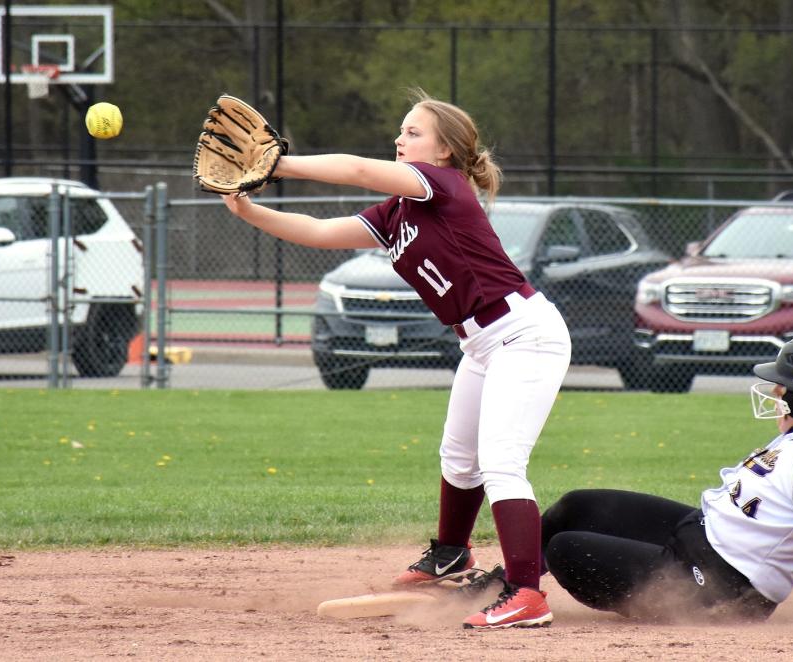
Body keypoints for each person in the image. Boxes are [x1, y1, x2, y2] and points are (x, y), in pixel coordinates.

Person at [220, 90, 571, 629]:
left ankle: (527, 594)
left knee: (501, 463)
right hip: (481, 342)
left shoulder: (444, 186)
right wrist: (247, 207)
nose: (399, 140)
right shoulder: (396, 212)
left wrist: (278, 163)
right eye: (400, 131)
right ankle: (451, 555)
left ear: (445, 152)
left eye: (413, 133)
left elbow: (359, 168)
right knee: (458, 457)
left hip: (523, 334)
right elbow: (318, 233)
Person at [540, 335, 793, 633]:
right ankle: (514, 584)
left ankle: (669, 605)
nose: (775, 392)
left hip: (720, 588)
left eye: (782, 386)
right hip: (702, 539)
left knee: (566, 549)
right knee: (579, 507)